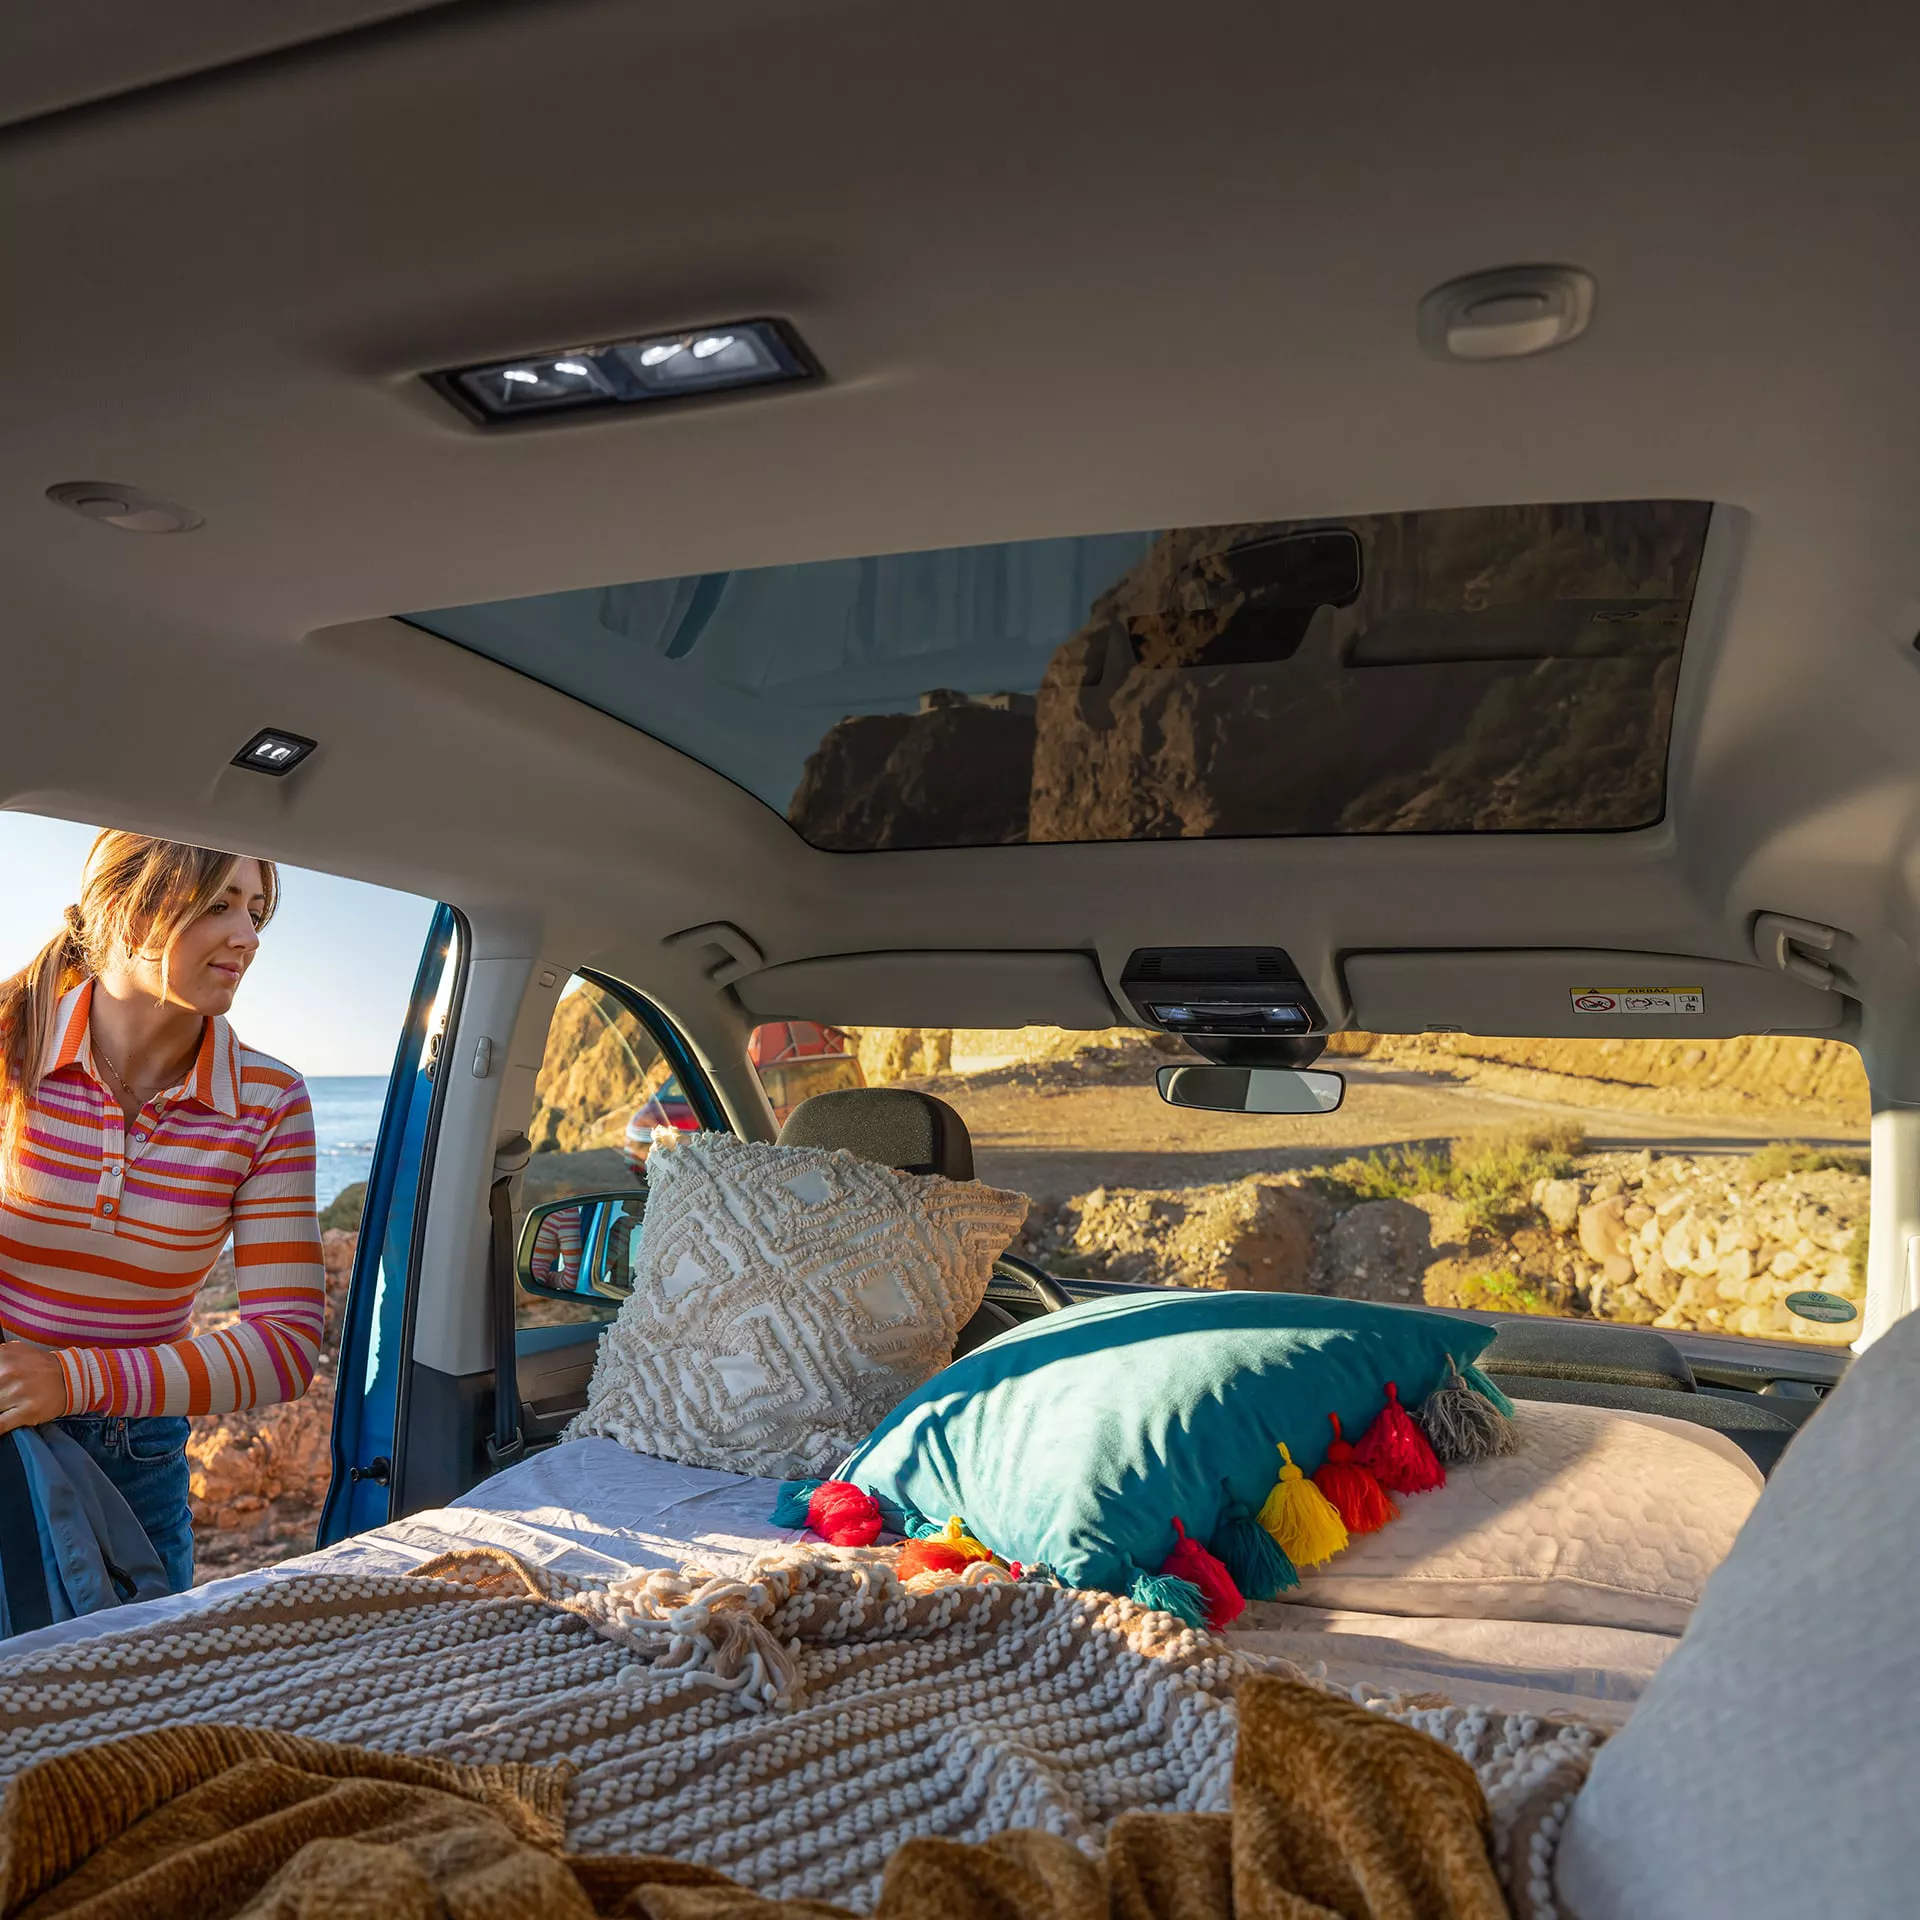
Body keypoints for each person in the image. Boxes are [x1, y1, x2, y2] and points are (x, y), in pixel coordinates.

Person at [0, 831, 325, 1594]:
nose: (248, 936)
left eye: (256, 909)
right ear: (127, 909)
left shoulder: (270, 1101)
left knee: (138, 1697)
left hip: (139, 1456)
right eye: (219, 905)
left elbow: (285, 1346)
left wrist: (71, 1380)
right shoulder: (11, 1045)